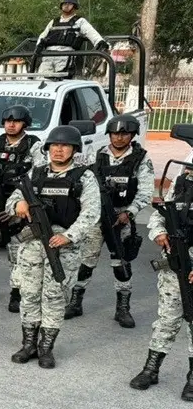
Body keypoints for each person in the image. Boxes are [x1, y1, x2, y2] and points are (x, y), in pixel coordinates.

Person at [5, 125, 100, 368]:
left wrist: (69, 236)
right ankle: (28, 344)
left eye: (65, 146)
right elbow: (13, 199)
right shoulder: (35, 174)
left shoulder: (84, 177)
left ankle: (46, 348)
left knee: (55, 296)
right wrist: (18, 206)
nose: (58, 150)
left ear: (74, 150)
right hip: (33, 242)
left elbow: (91, 213)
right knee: (28, 293)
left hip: (64, 244)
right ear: (48, 148)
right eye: (54, 145)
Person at [66, 114, 154, 328]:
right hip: (96, 217)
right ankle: (75, 302)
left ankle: (123, 308)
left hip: (122, 218)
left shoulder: (141, 159)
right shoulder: (96, 156)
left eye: (124, 133)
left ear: (132, 135)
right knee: (87, 260)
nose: (119, 137)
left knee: (121, 263)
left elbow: (145, 192)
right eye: (115, 133)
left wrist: (128, 214)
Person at [129, 162, 193, 399]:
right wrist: (158, 232)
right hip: (175, 257)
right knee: (167, 318)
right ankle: (151, 368)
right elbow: (160, 214)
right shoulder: (181, 184)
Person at [0, 105, 45, 311]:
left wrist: (21, 203)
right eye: (7, 121)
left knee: (17, 252)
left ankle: (16, 292)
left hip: (17, 206)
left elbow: (39, 174)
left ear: (25, 123)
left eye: (16, 121)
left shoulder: (34, 145)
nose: (11, 124)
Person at [35, 0, 107, 77]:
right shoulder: (54, 22)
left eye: (69, 4)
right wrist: (38, 46)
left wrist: (100, 43)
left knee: (60, 79)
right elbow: (43, 35)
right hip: (48, 55)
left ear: (75, 6)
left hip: (65, 55)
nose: (66, 5)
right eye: (64, 3)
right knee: (42, 79)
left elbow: (91, 32)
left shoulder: (79, 21)